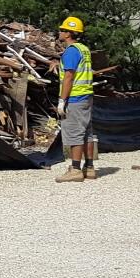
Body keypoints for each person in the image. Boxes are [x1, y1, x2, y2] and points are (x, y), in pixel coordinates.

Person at [55, 16, 96, 182]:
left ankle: (76, 170)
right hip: (87, 95)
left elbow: (69, 77)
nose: (59, 32)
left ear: (68, 33)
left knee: (75, 133)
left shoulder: (71, 51)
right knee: (87, 132)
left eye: (62, 29)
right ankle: (90, 168)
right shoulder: (83, 49)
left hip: (75, 98)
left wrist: (62, 100)